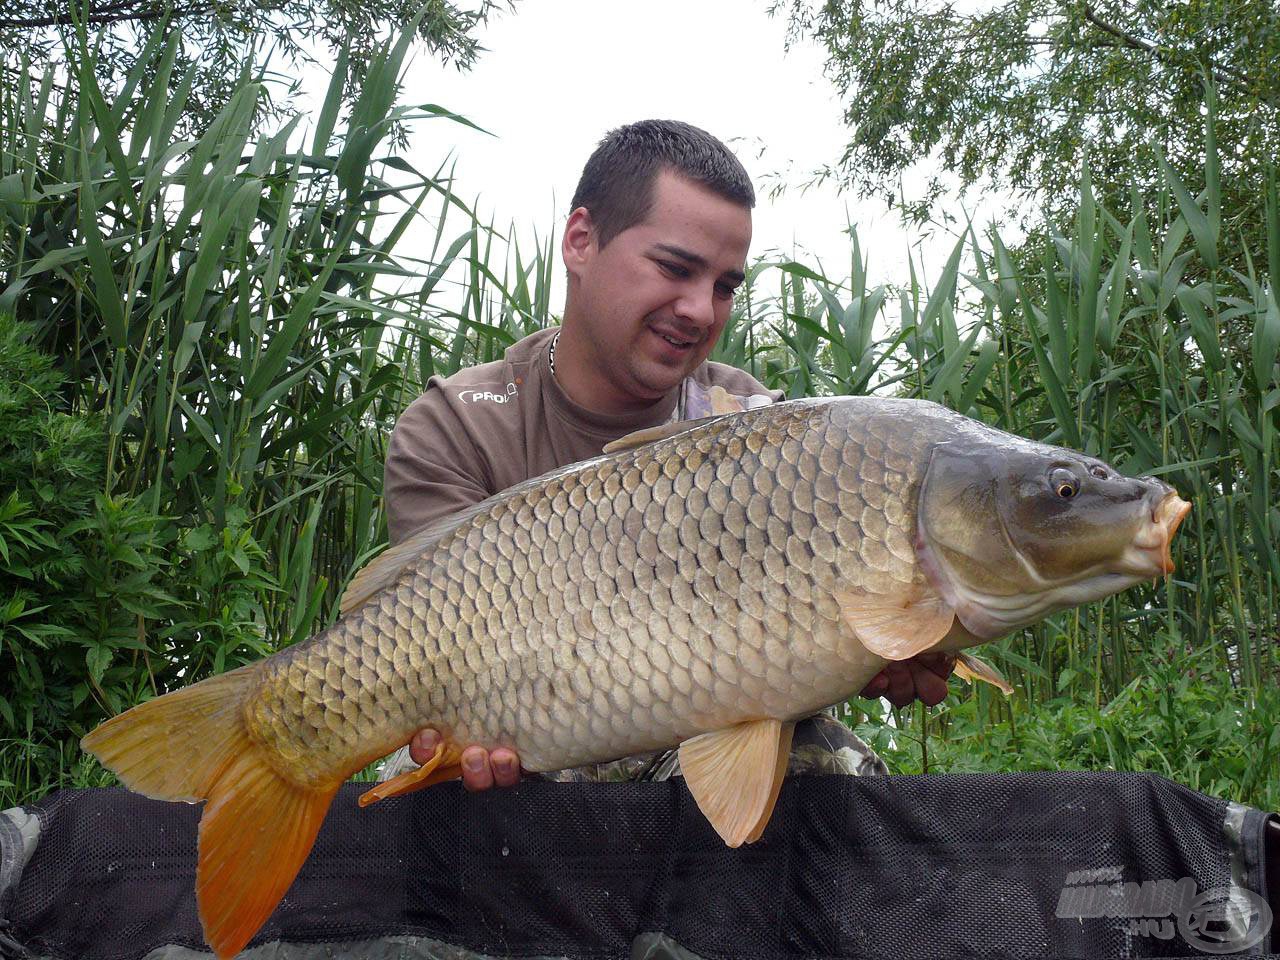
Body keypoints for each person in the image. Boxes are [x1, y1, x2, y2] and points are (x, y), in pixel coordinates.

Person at [380, 119, 954, 791]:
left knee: (821, 762)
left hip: (691, 745)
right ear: (581, 241)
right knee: (430, 778)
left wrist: (887, 644)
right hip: (525, 741)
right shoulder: (456, 427)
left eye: (725, 286)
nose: (700, 310)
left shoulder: (762, 434)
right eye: (676, 269)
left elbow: (785, 658)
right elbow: (422, 657)